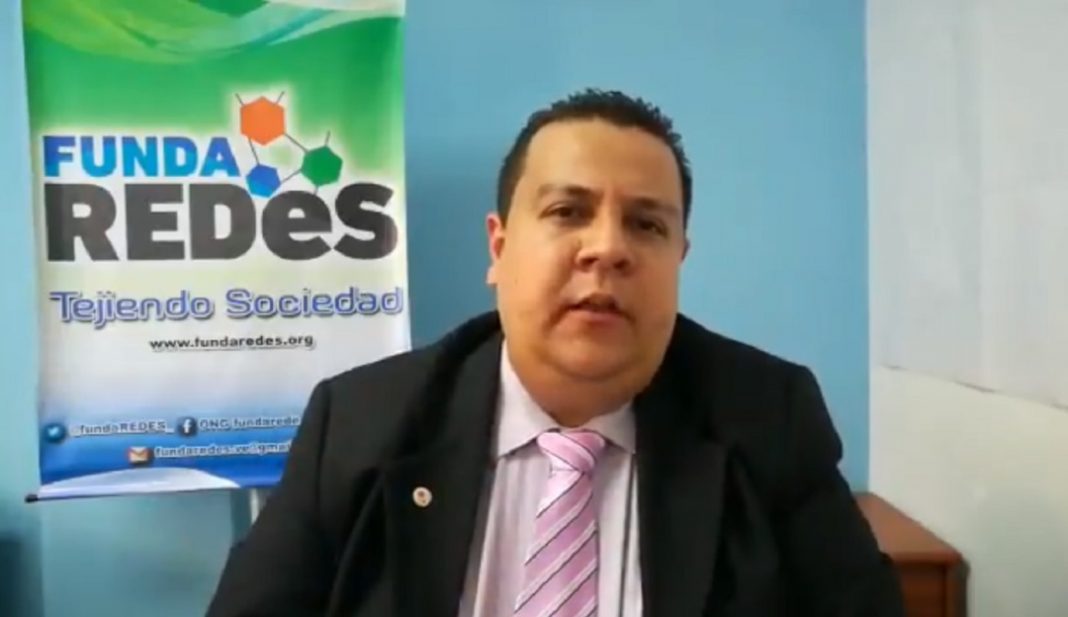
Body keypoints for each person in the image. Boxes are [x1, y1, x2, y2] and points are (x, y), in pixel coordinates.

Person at [206, 89, 904, 617]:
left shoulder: (767, 418)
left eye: (646, 224)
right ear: (499, 247)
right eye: (568, 212)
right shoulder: (361, 421)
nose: (607, 248)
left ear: (679, 259)